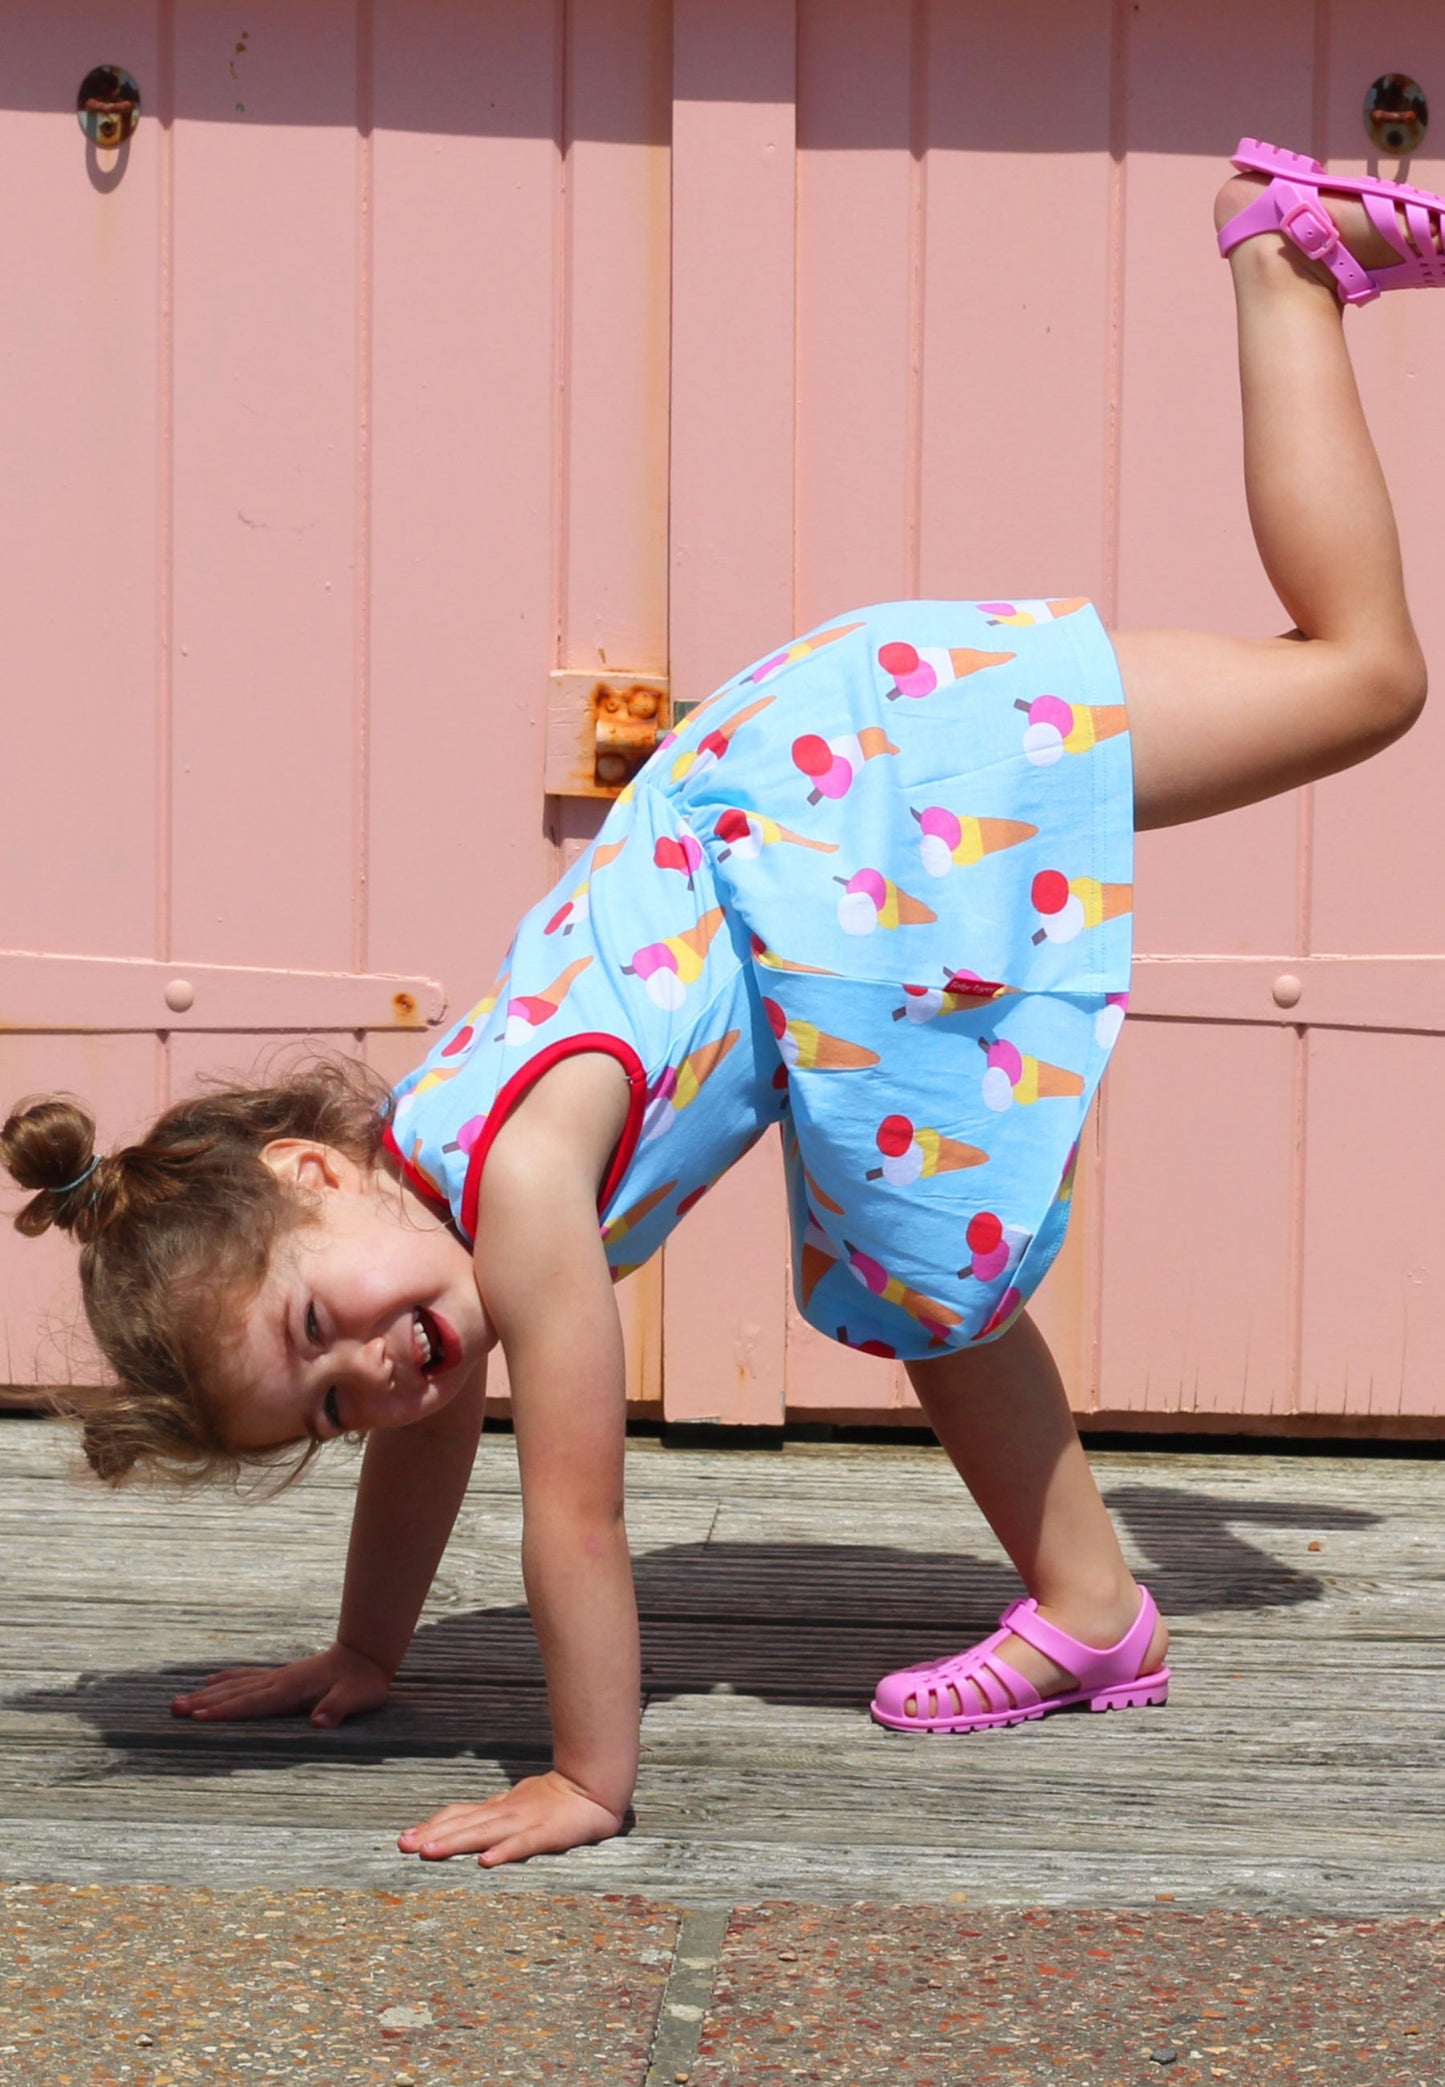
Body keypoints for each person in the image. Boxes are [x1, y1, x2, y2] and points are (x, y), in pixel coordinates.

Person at [3, 142, 1437, 1867]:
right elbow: (429, 1441)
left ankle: (1277, 264)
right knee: (1352, 682)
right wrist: (367, 1650)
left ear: (315, 1174)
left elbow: (579, 1517)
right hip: (842, 753)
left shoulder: (518, 1184)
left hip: (869, 810)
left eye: (329, 1335)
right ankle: (1288, 254)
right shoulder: (432, 1189)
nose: (378, 1377)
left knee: (921, 1251)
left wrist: (586, 1780)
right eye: (320, 1405)